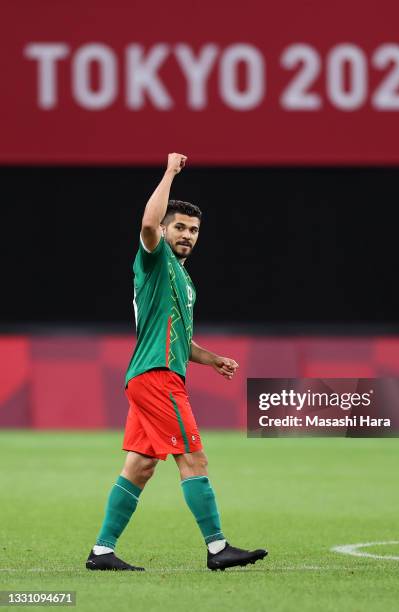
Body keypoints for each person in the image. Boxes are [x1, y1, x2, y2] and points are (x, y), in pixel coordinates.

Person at [85, 153, 267, 571]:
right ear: (166, 230)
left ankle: (101, 551)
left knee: (142, 466)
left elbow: (181, 342)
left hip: (155, 374)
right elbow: (148, 225)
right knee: (194, 459)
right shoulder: (154, 260)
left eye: (194, 230)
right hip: (157, 379)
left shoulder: (184, 281)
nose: (187, 234)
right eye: (180, 227)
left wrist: (211, 358)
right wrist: (168, 173)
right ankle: (218, 548)